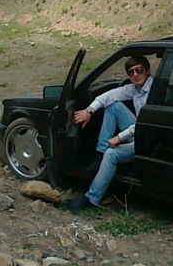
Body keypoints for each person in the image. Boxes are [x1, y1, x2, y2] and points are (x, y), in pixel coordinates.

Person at [63, 55, 152, 211]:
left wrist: (119, 138)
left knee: (112, 154)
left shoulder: (153, 91)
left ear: (147, 70)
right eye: (131, 72)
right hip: (140, 131)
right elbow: (109, 96)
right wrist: (89, 110)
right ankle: (100, 153)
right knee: (113, 106)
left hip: (148, 139)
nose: (136, 74)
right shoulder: (134, 89)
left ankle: (91, 199)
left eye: (139, 70)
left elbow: (145, 125)